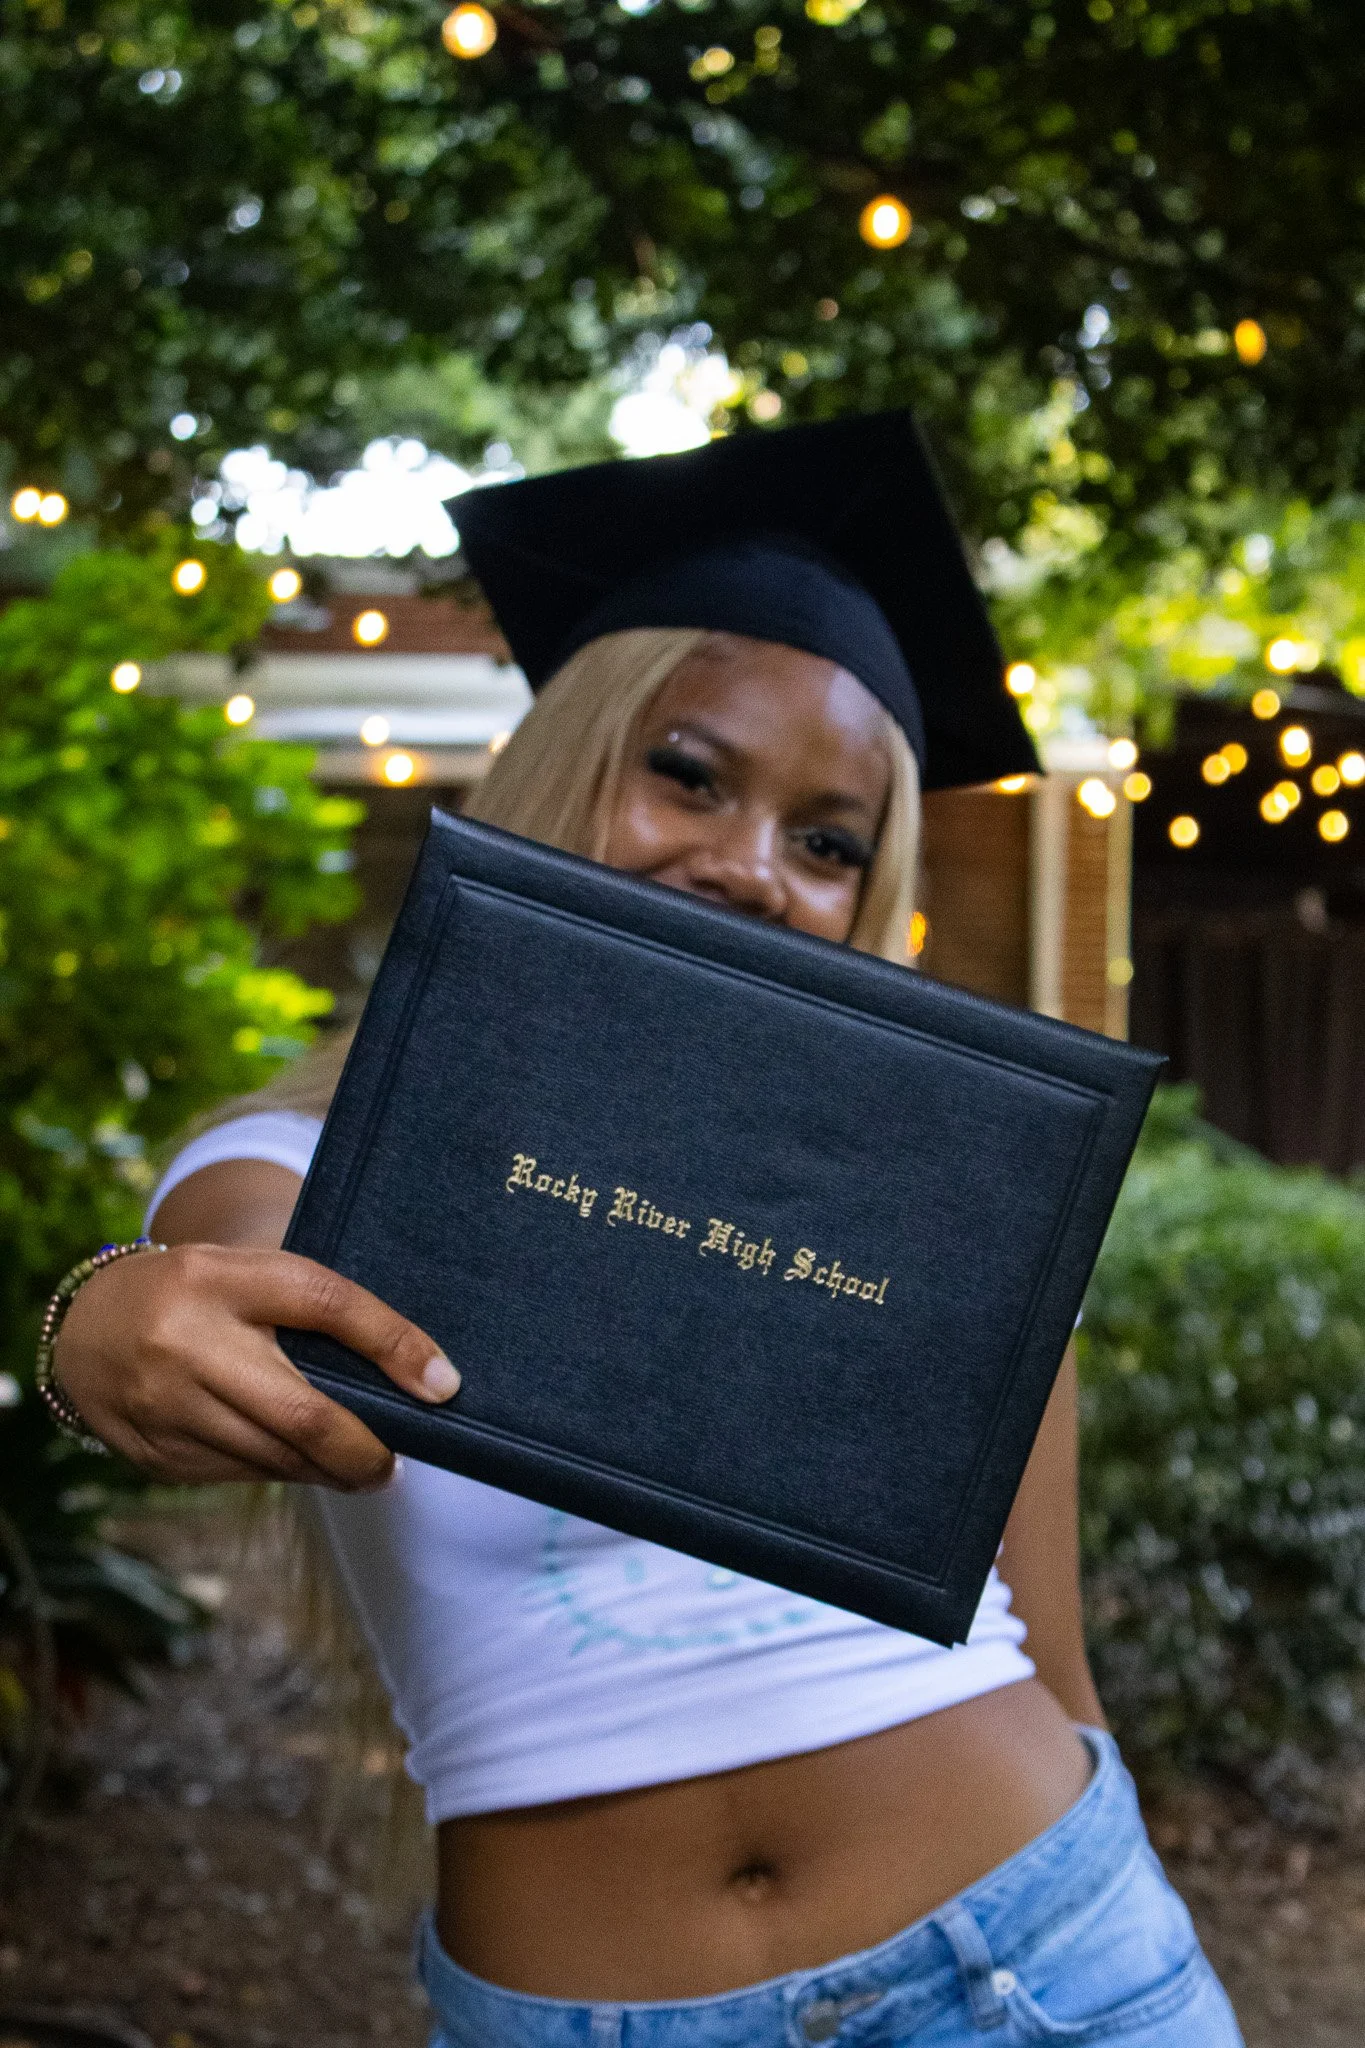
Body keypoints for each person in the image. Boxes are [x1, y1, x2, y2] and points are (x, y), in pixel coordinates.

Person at [49, 417, 1242, 2046]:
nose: (752, 867)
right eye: (688, 773)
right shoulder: (317, 1154)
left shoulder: (943, 1200)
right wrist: (101, 1320)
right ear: (563, 763)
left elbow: (1057, 1667)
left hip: (1047, 1957)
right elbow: (213, 1281)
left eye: (828, 843)